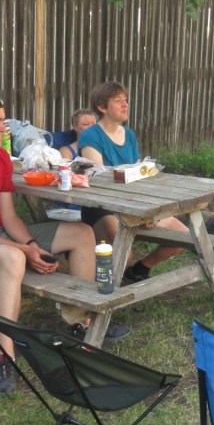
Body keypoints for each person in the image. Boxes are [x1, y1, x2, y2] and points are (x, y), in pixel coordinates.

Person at [0, 90, 129, 395]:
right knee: (13, 258)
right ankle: (4, 356)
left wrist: (32, 244)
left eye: (3, 120)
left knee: (82, 233)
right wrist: (24, 250)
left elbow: (9, 218)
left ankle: (80, 320)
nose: (3, 128)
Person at [77, 81, 192, 284]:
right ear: (102, 107)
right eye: (118, 101)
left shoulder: (129, 134)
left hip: (134, 204)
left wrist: (148, 210)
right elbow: (100, 181)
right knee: (124, 255)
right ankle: (101, 286)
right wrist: (137, 211)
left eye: (126, 99)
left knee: (183, 236)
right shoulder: (91, 136)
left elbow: (138, 174)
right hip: (103, 208)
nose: (125, 104)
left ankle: (139, 270)